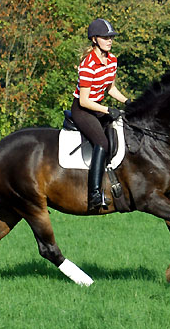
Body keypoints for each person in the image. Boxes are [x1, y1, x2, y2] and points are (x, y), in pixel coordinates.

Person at [71, 18, 130, 210]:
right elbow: (84, 100)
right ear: (94, 39)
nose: (109, 40)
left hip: (97, 108)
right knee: (102, 142)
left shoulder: (111, 59)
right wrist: (108, 110)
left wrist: (127, 102)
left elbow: (110, 88)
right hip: (83, 110)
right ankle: (94, 194)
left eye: (111, 37)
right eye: (105, 37)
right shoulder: (88, 65)